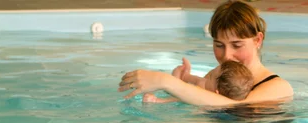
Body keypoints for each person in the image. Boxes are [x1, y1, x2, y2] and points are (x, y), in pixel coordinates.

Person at [119, 0, 293, 106]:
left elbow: (235, 106)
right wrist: (180, 80)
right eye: (219, 45)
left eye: (237, 45)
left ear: (258, 40)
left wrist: (166, 81)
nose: (226, 56)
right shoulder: (216, 75)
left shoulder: (277, 87)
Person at [143, 60, 254, 103]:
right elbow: (194, 79)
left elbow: (178, 99)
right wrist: (184, 74)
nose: (208, 74)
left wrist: (158, 100)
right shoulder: (206, 83)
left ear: (217, 93)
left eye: (211, 76)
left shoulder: (203, 94)